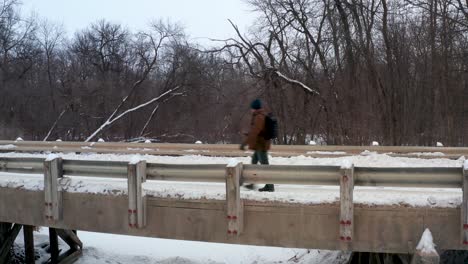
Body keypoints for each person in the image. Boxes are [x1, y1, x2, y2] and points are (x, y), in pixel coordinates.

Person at [240, 99, 274, 192]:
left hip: (261, 145)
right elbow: (256, 131)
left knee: (264, 166)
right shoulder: (259, 116)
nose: (251, 110)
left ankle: (270, 186)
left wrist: (244, 143)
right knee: (253, 163)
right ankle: (252, 183)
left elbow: (255, 132)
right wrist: (248, 134)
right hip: (259, 144)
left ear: (255, 108)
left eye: (252, 108)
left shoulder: (259, 117)